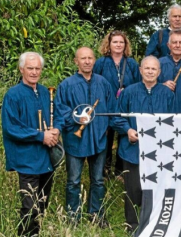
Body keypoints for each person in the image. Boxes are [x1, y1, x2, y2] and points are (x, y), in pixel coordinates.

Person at [111, 56, 175, 234]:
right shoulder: (129, 92)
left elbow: (175, 121)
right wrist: (127, 130)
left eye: (153, 69)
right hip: (132, 150)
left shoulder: (168, 94)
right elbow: (117, 117)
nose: (150, 71)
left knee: (154, 189)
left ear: (159, 72)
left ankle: (153, 222)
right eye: (146, 68)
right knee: (132, 190)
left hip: (159, 151)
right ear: (140, 70)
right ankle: (131, 225)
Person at [54, 47, 116, 227]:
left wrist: (107, 129)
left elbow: (112, 108)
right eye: (83, 58)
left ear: (94, 60)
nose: (87, 61)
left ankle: (96, 214)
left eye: (90, 58)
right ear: (76, 61)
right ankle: (73, 216)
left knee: (98, 180)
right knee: (73, 181)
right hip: (75, 140)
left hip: (98, 139)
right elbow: (60, 110)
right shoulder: (66, 84)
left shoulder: (103, 83)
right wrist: (76, 117)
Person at [2, 52, 61, 236]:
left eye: (37, 68)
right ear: (21, 69)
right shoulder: (13, 95)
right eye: (30, 68)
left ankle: (34, 233)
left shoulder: (45, 92)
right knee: (30, 206)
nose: (34, 72)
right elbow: (11, 128)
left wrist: (56, 129)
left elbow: (57, 114)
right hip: (27, 159)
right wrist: (40, 136)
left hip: (47, 158)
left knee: (42, 204)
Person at [94, 30, 141, 179]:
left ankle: (120, 171)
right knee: (106, 137)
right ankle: (104, 170)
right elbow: (95, 82)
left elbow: (138, 83)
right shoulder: (101, 62)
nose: (118, 45)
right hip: (106, 106)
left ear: (125, 44)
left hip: (126, 107)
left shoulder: (132, 63)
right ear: (109, 44)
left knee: (124, 136)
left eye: (121, 42)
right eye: (115, 42)